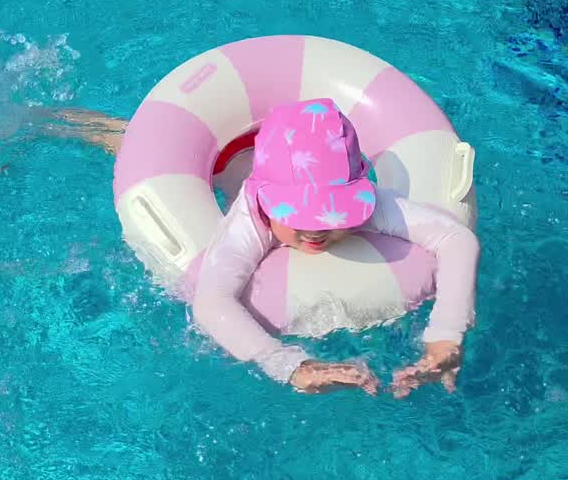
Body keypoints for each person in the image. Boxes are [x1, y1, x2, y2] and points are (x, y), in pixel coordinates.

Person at [29, 99, 480, 398]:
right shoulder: (251, 214)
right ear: (268, 202)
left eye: (331, 216)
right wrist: (289, 365)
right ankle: (41, 119)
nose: (316, 231)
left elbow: (456, 238)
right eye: (299, 218)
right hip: (223, 157)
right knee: (127, 141)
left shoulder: (363, 201)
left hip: (279, 154)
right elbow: (211, 301)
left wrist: (446, 332)